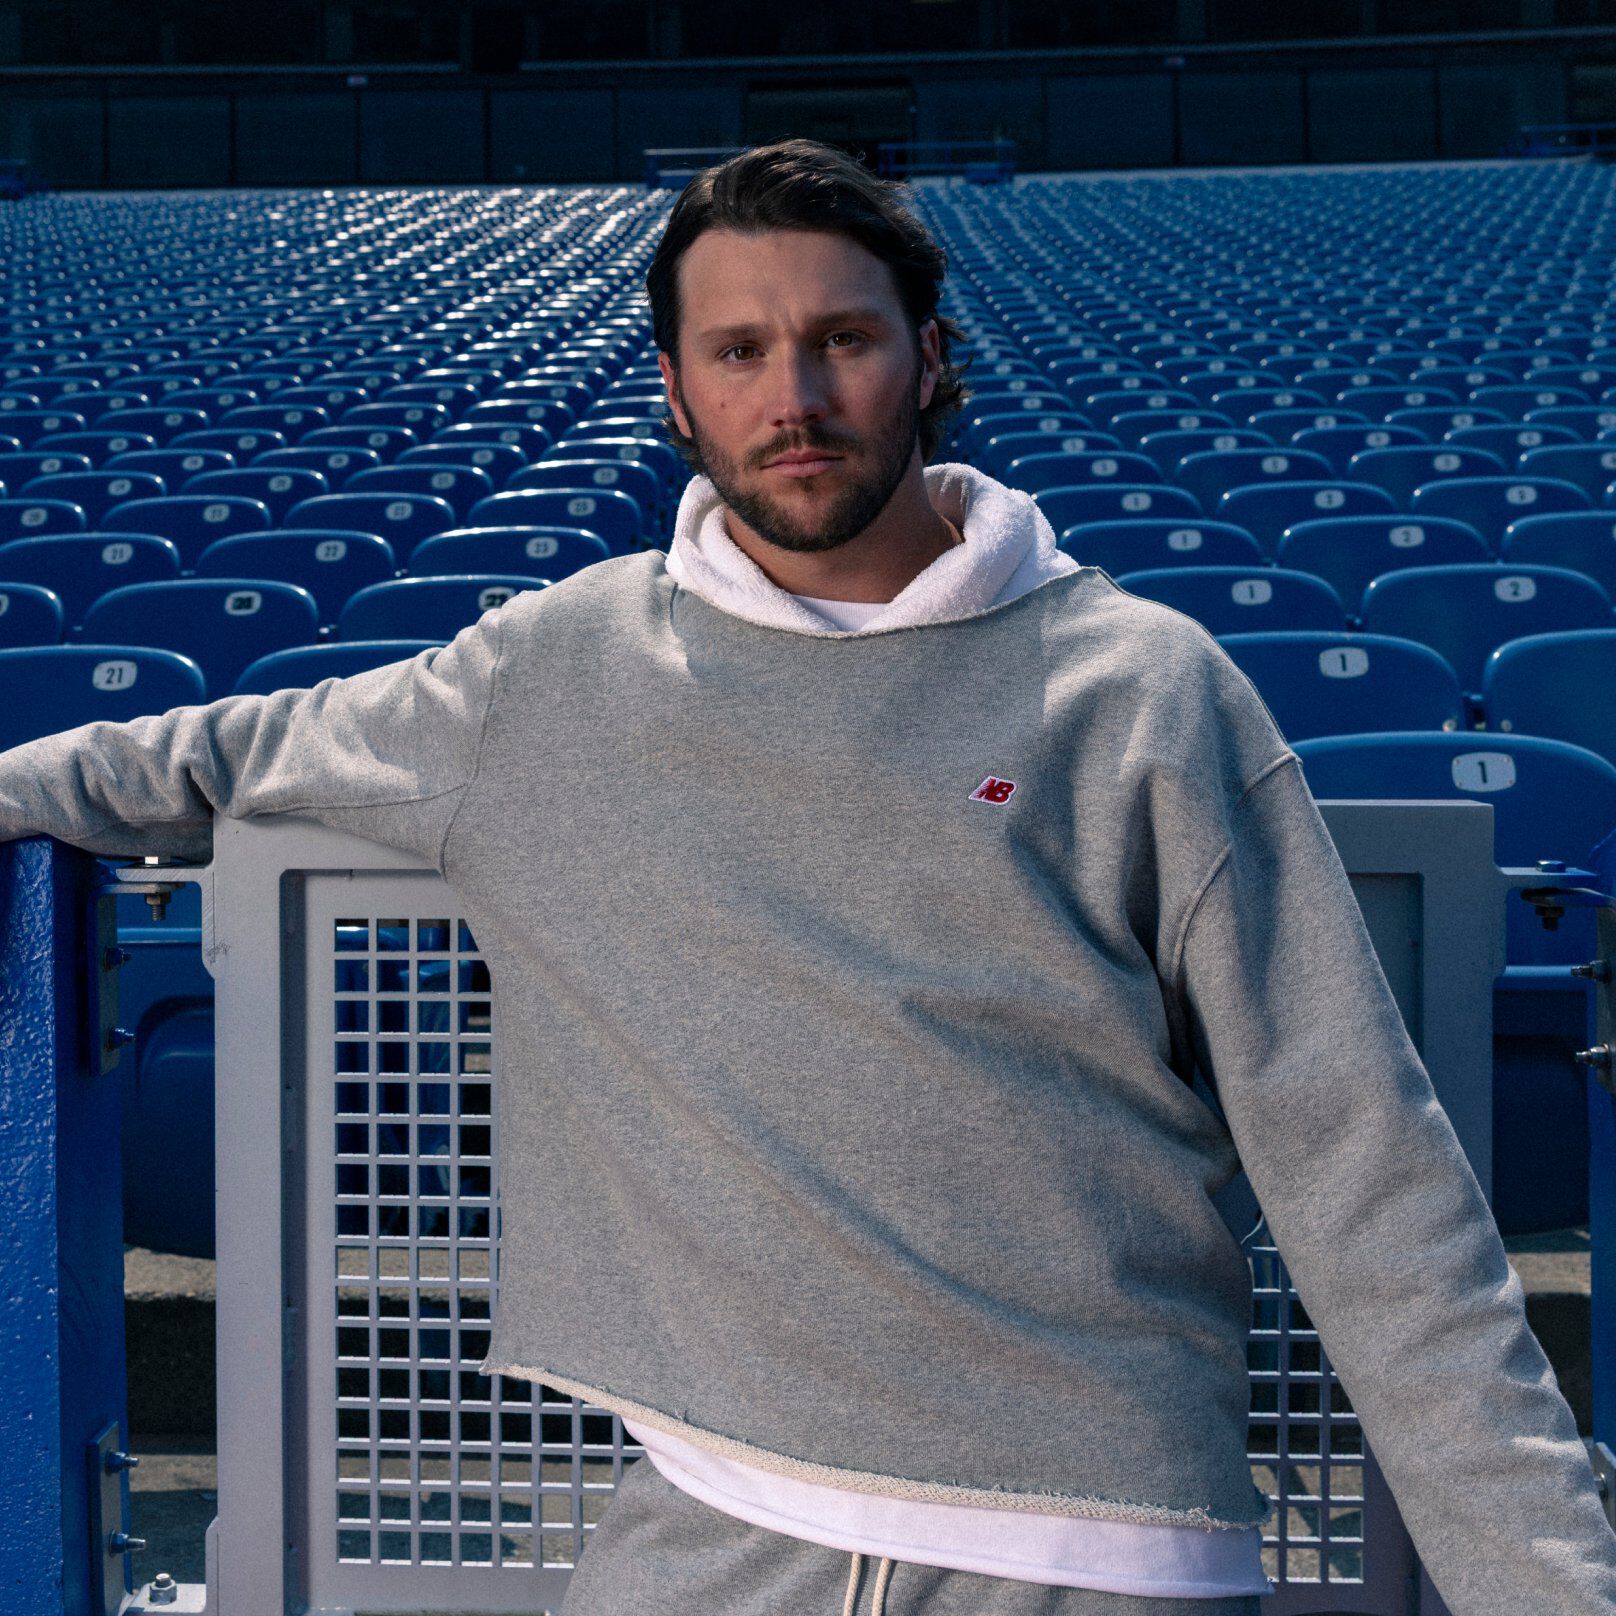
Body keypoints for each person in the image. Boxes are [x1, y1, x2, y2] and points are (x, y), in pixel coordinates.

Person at [2, 138, 1614, 1616]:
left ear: (930, 358)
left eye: (843, 338)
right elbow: (216, 756)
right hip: (704, 1520)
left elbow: (1366, 1171)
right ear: (677, 392)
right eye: (740, 349)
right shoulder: (551, 676)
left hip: (1091, 1539)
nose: (797, 393)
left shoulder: (1142, 690)